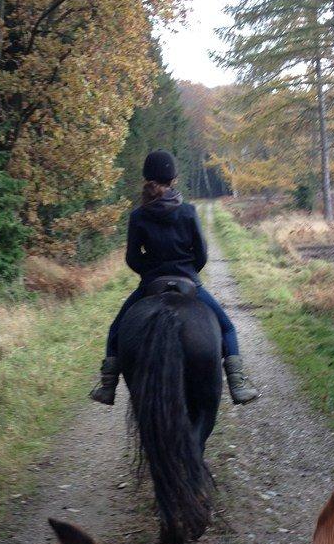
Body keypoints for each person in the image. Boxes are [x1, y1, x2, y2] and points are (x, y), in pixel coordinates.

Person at [90, 149, 259, 406]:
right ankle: (238, 384)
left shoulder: (138, 216)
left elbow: (132, 258)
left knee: (116, 329)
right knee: (226, 327)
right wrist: (189, 271)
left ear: (146, 178)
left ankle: (107, 386)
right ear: (173, 179)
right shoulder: (189, 212)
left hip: (151, 284)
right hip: (188, 282)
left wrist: (150, 272)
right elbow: (201, 254)